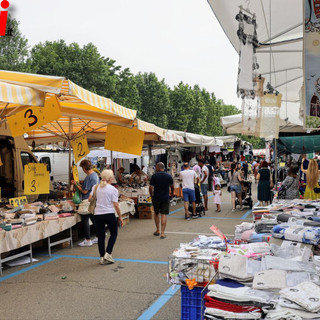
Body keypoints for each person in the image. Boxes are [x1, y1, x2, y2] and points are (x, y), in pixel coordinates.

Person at [89, 170, 123, 265]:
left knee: (101, 236)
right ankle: (108, 253)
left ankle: (102, 256)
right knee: (114, 233)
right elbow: (116, 205)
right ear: (110, 178)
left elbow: (89, 198)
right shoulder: (113, 189)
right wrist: (120, 216)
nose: (113, 179)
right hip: (109, 213)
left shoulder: (95, 187)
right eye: (112, 177)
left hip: (97, 214)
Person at [72, 159, 99, 247]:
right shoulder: (95, 175)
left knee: (85, 220)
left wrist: (76, 185)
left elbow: (84, 191)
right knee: (93, 218)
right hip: (93, 199)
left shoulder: (89, 177)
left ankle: (88, 239)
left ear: (84, 168)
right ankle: (98, 236)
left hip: (86, 200)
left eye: (82, 168)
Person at [149, 162, 174, 239]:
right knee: (163, 214)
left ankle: (157, 230)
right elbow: (172, 186)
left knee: (156, 214)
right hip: (165, 197)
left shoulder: (154, 176)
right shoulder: (168, 176)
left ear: (158, 167)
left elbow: (150, 187)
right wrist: (172, 193)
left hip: (156, 197)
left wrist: (151, 195)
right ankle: (163, 233)